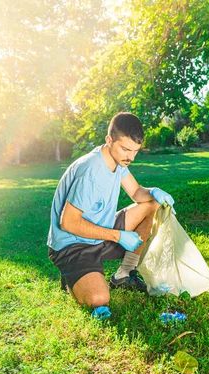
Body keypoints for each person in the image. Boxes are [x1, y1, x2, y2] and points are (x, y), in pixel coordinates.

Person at [47, 112, 176, 318]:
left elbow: (135, 192)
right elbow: (68, 222)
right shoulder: (91, 172)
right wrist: (118, 236)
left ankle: (124, 274)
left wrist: (153, 192)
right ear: (109, 140)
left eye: (135, 151)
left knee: (151, 206)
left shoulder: (118, 161)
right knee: (99, 299)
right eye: (125, 149)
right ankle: (72, 277)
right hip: (73, 245)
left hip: (100, 233)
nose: (130, 157)